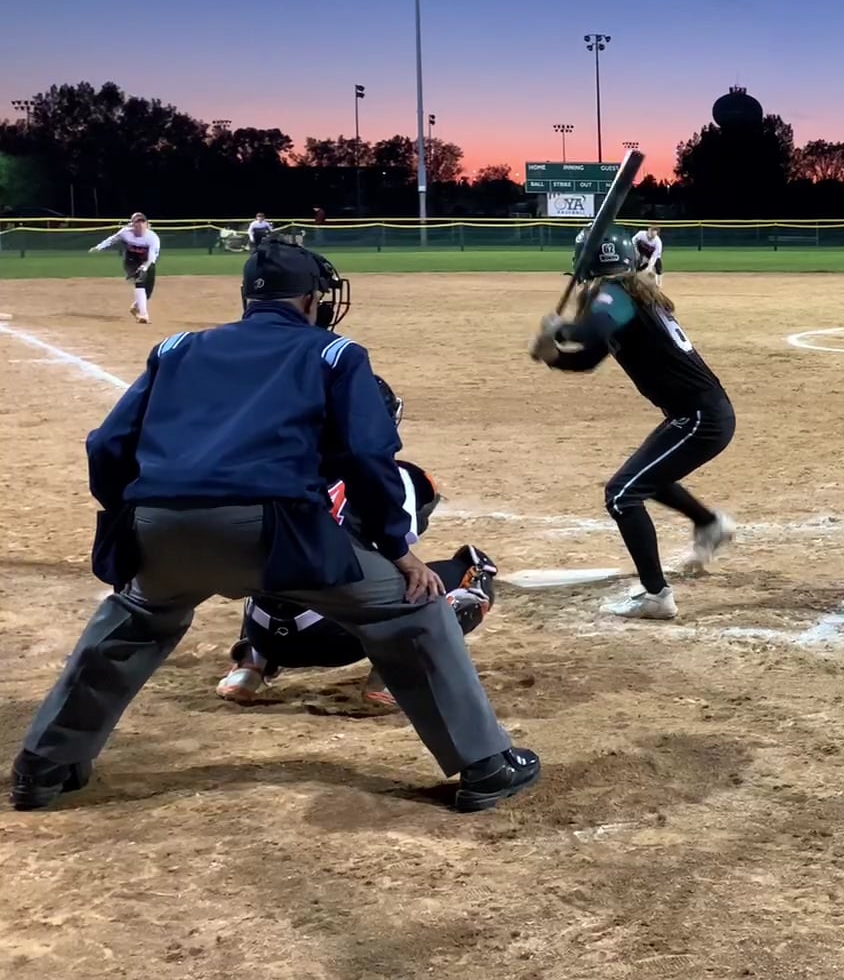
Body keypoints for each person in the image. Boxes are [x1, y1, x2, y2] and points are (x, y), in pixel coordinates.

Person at [9, 240, 538, 814]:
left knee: (134, 616)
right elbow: (368, 457)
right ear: (311, 300)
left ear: (247, 298)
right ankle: (486, 765)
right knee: (412, 608)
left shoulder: (176, 348)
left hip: (158, 524)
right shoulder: (334, 353)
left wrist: (130, 519)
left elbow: (107, 446)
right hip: (274, 531)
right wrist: (398, 549)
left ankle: (43, 766)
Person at [218, 376, 499, 709]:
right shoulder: (398, 476)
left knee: (278, 552)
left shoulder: (270, 464)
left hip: (264, 630)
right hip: (334, 635)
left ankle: (249, 665)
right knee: (469, 570)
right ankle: (396, 675)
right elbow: (401, 538)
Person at [529, 228, 735, 620]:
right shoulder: (627, 295)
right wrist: (554, 355)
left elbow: (590, 333)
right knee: (645, 480)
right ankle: (709, 524)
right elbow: (590, 355)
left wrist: (560, 330)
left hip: (700, 419)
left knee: (622, 494)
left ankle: (657, 595)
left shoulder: (615, 295)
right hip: (695, 415)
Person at [89, 212, 160, 324]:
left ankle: (135, 307)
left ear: (147, 224)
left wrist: (145, 267)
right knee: (139, 281)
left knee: (148, 293)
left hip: (148, 261)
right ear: (132, 224)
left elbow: (151, 257)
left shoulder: (152, 237)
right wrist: (99, 247)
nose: (140, 225)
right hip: (131, 261)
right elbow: (112, 240)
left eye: (142, 222)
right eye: (137, 222)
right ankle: (144, 315)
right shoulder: (125, 233)